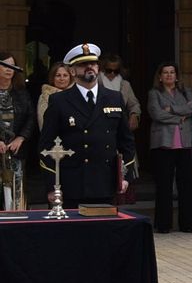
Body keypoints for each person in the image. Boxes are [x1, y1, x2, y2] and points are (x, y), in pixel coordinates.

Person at [38, 43, 134, 208]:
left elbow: (126, 142)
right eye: (83, 64)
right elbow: (46, 146)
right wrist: (52, 186)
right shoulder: (59, 101)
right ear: (73, 71)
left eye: (93, 63)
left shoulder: (114, 98)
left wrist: (124, 176)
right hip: (71, 185)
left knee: (104, 232)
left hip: (105, 183)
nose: (90, 67)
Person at [147, 62, 192, 232]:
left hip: (185, 143)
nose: (169, 75)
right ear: (159, 77)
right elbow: (157, 114)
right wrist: (180, 117)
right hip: (163, 144)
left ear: (176, 75)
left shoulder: (185, 91)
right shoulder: (154, 93)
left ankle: (187, 223)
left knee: (187, 184)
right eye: (165, 73)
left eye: (172, 72)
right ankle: (163, 224)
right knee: (164, 185)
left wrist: (172, 109)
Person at [0, 52, 35, 211]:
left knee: (16, 190)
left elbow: (30, 118)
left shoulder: (21, 92)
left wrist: (21, 138)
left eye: (12, 66)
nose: (9, 70)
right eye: (5, 65)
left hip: (15, 150)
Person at [98, 54, 143, 133]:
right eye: (109, 70)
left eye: (116, 71)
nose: (112, 73)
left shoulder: (125, 85)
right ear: (103, 69)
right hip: (100, 123)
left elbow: (134, 104)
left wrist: (134, 115)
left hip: (119, 124)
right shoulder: (95, 82)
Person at [36, 62, 70, 130]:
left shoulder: (76, 94)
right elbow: (43, 123)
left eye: (65, 75)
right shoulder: (45, 96)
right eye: (58, 75)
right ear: (52, 77)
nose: (62, 78)